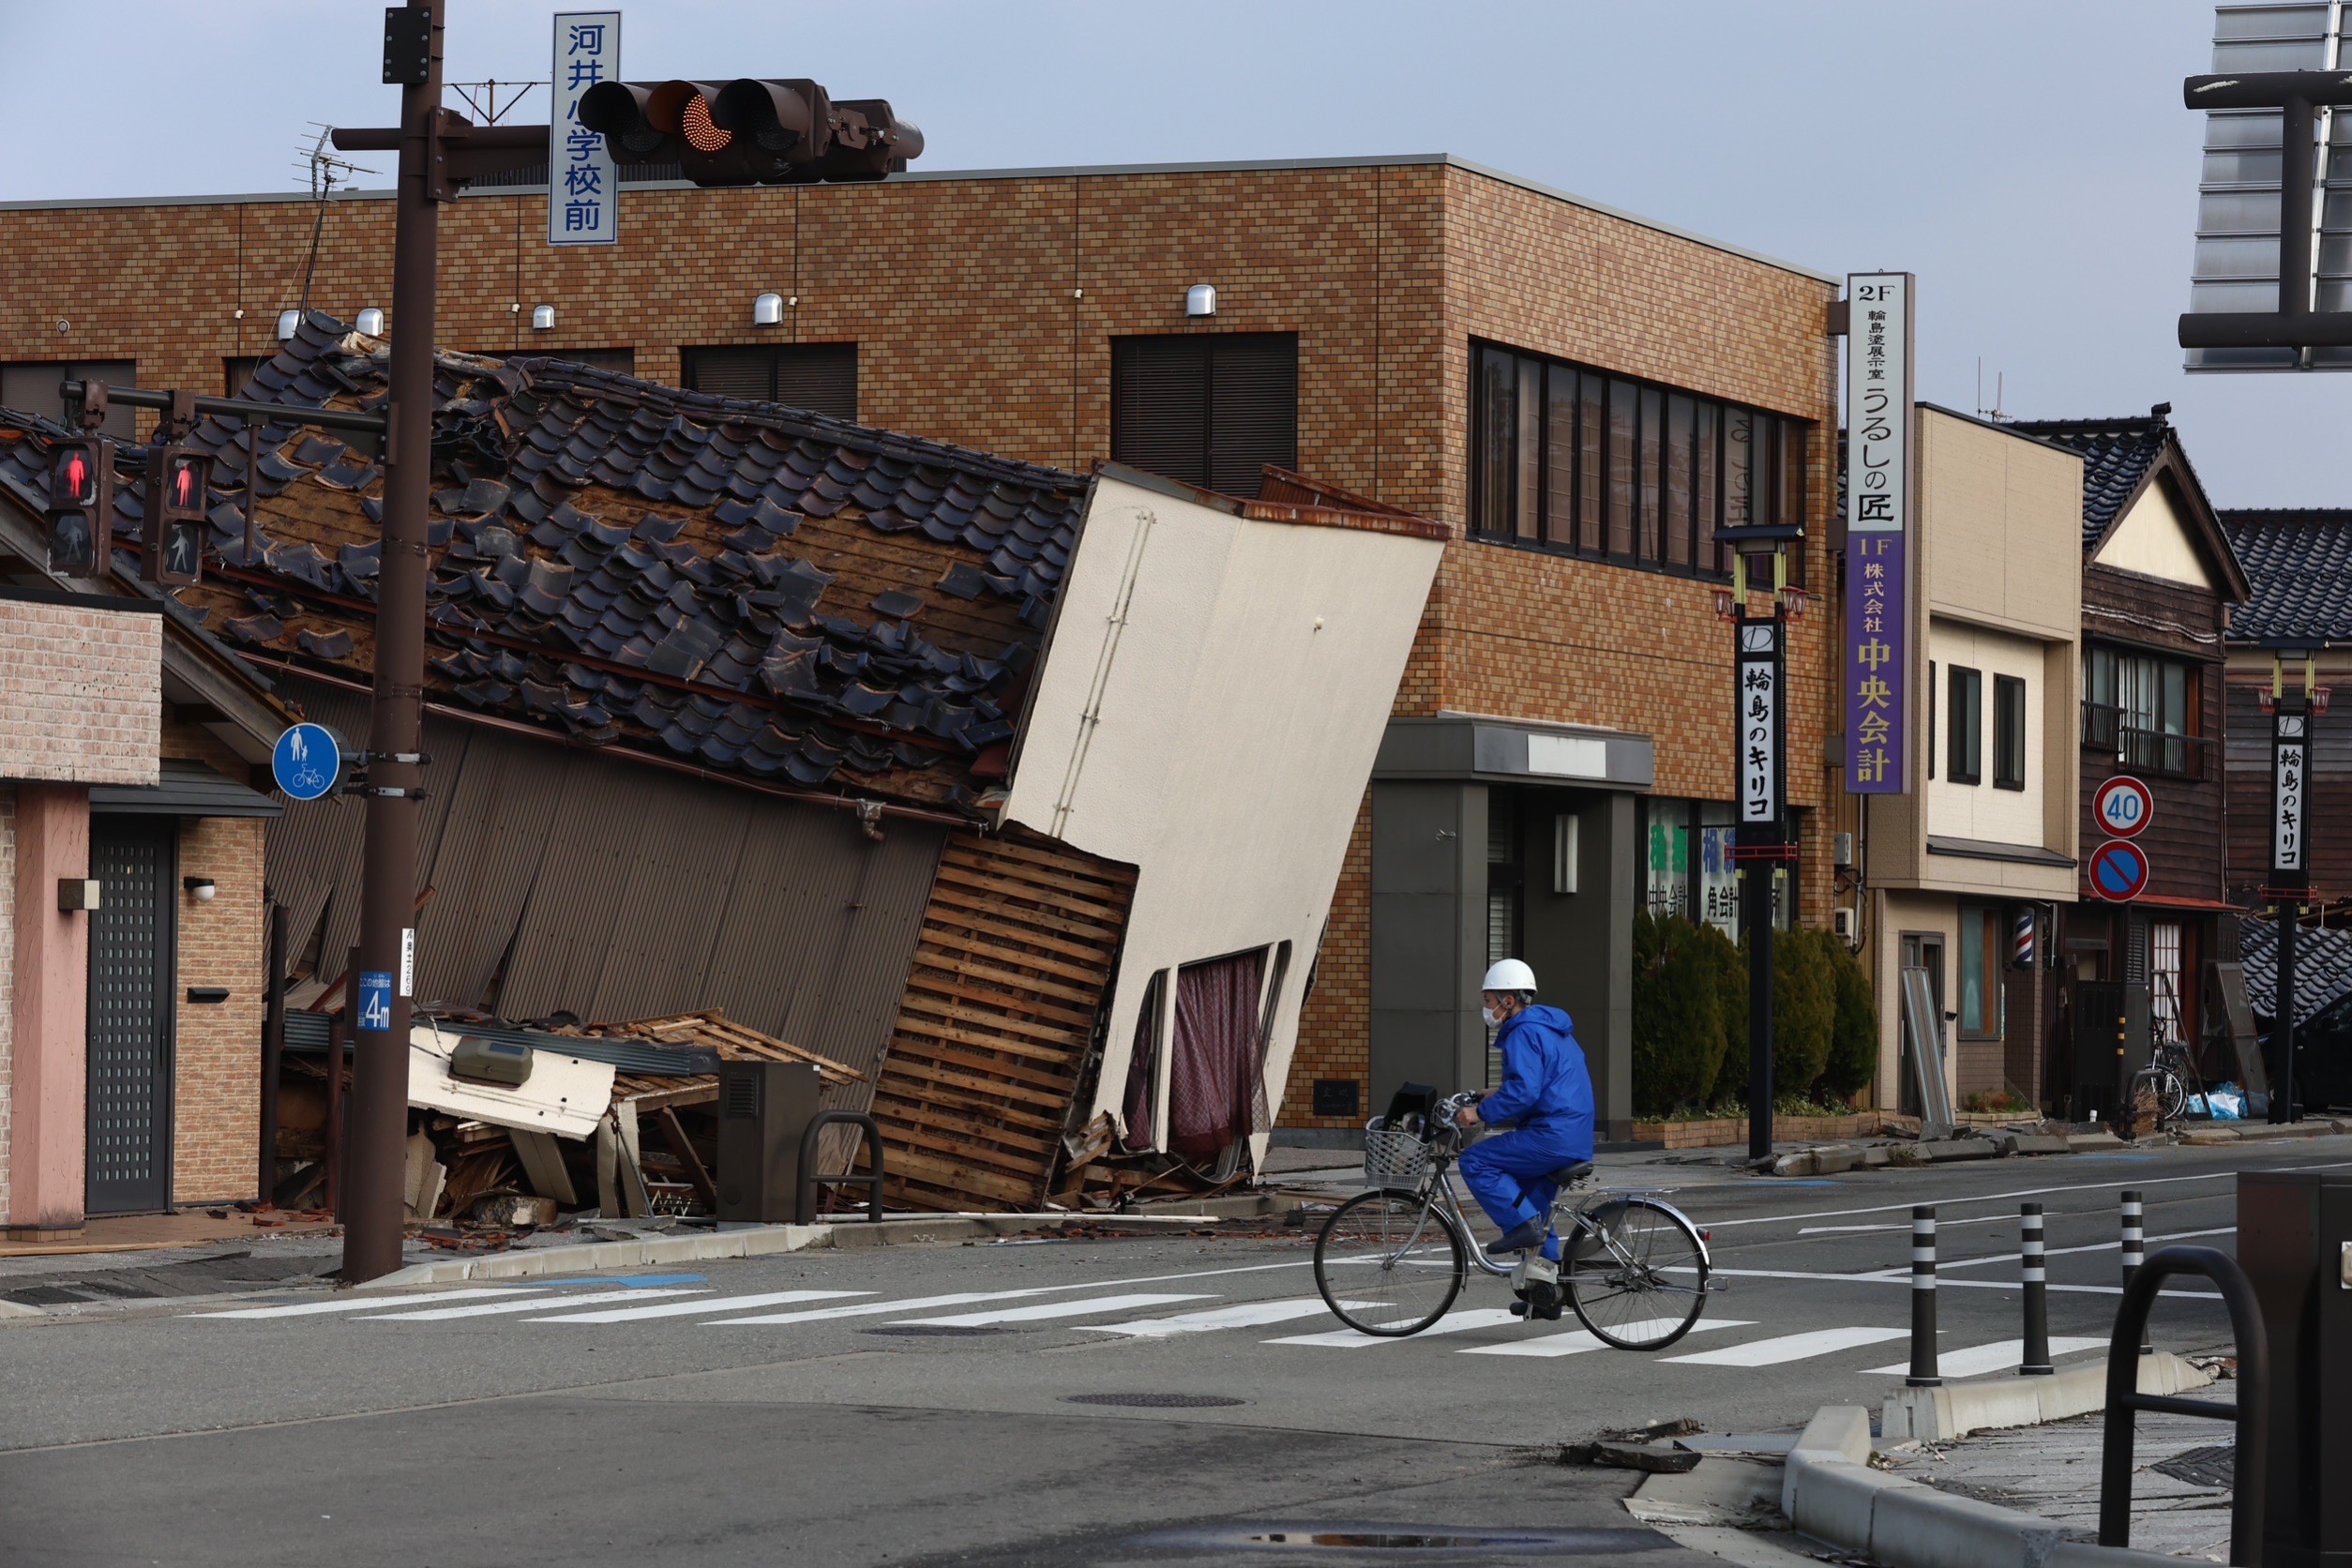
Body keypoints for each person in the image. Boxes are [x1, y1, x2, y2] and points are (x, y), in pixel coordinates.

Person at [1454, 958, 1595, 1263]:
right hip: (1573, 1134)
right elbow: (1541, 1085)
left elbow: (1525, 1091)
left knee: (1474, 1161)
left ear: (1508, 1001)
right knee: (1532, 1205)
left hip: (1551, 1135)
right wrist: (1490, 1094)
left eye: (1488, 1000)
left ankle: (1521, 1226)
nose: (1486, 1007)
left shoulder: (1523, 1032)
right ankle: (1547, 1288)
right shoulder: (1549, 1028)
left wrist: (1479, 1113)